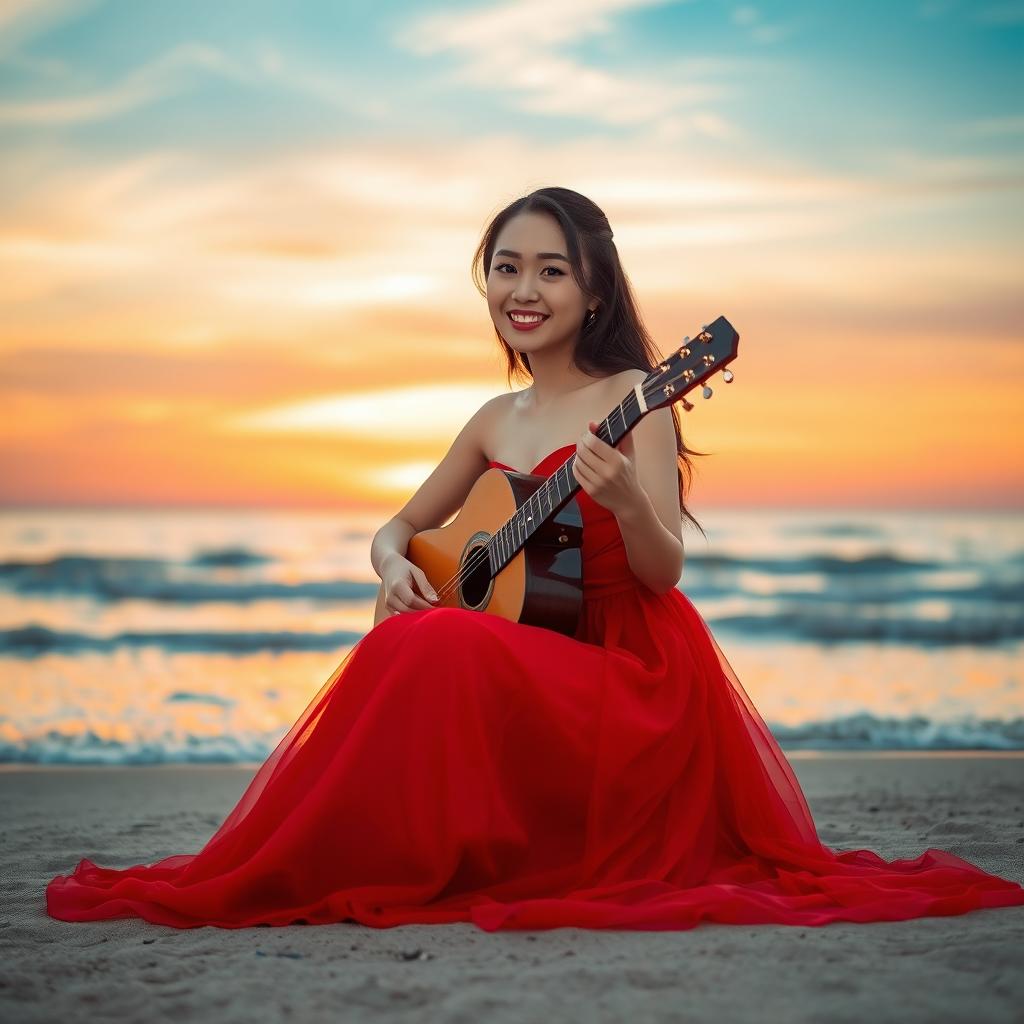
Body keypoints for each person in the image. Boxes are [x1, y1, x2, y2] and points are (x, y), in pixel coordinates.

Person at [45, 187, 1024, 931]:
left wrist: (626, 498)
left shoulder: (640, 391)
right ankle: (352, 851)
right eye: (506, 267)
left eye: (551, 270)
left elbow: (664, 569)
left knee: (438, 647)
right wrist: (391, 566)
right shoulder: (492, 418)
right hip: (526, 657)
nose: (525, 289)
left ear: (594, 286)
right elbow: (394, 529)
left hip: (626, 675)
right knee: (415, 633)